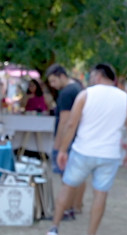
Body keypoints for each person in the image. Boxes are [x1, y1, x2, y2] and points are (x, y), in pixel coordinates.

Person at [46, 63, 127, 235]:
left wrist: (63, 150)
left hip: (83, 150)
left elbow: (71, 124)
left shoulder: (86, 94)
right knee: (100, 194)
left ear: (97, 76)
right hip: (109, 153)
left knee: (67, 186)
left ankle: (54, 227)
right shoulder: (124, 99)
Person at [46, 64, 86, 218]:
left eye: (53, 81)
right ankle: (76, 206)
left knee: (67, 176)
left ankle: (67, 207)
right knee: (78, 175)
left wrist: (58, 144)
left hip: (68, 139)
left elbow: (65, 120)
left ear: (61, 76)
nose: (52, 85)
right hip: (77, 137)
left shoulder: (67, 93)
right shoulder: (77, 88)